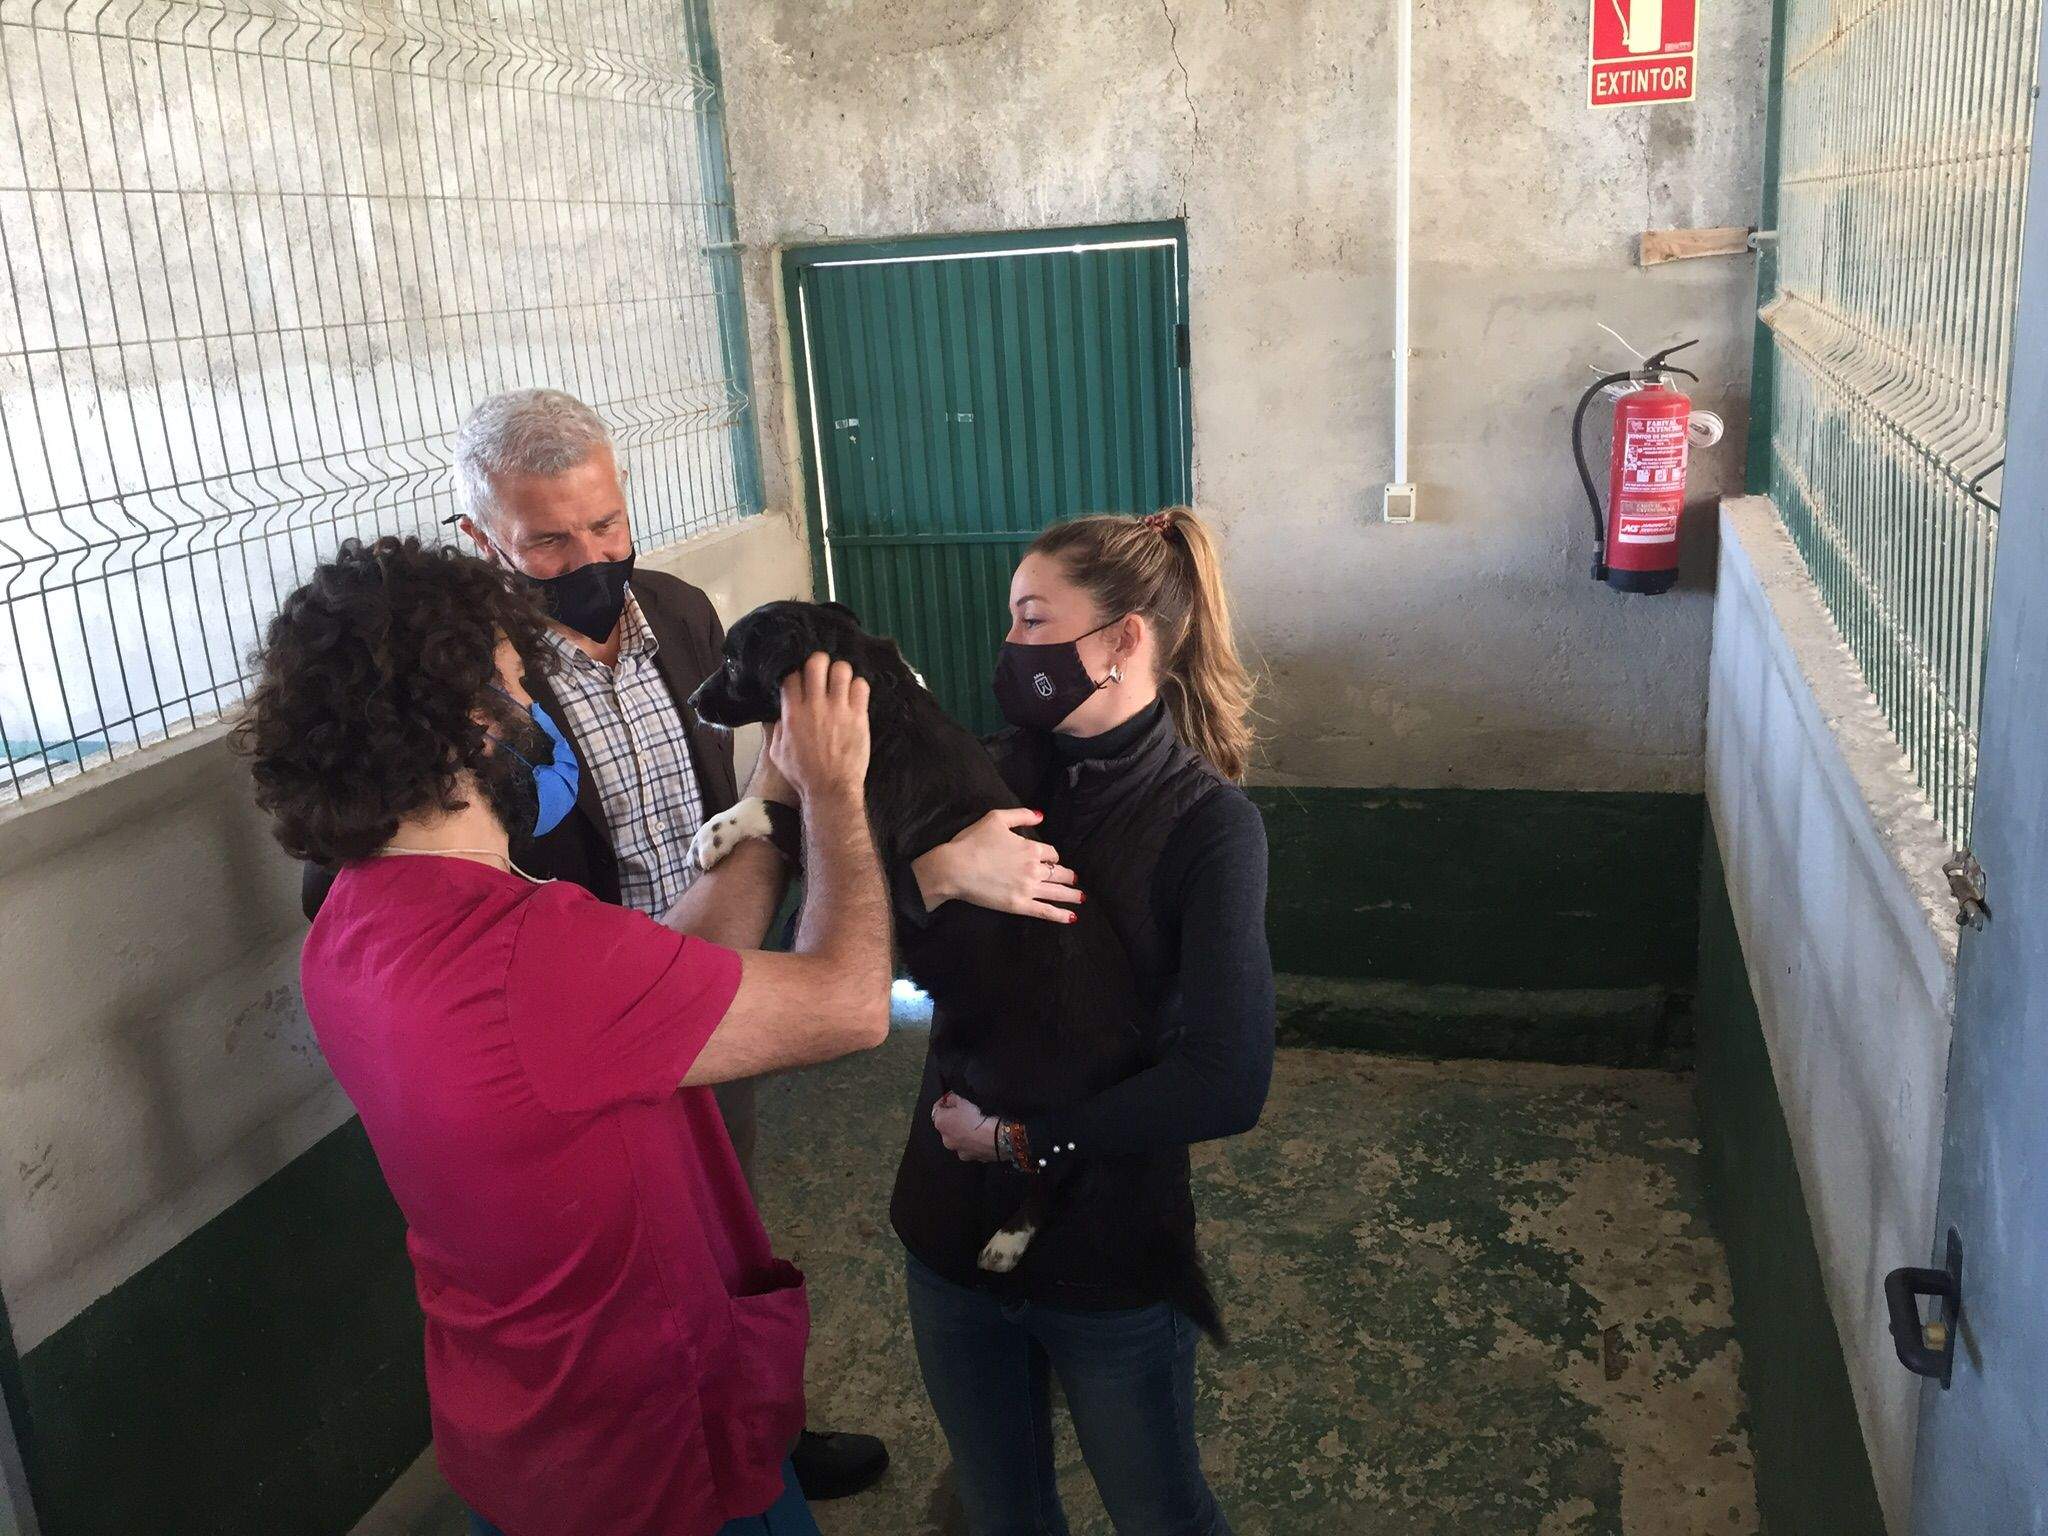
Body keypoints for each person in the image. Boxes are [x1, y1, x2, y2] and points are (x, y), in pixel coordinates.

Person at [299, 388, 888, 1500]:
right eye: (551, 539)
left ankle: (769, 1413)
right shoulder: (535, 953)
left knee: (715, 1219)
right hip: (644, 1447)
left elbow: (656, 958)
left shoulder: (353, 933)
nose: (594, 555)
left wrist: (766, 794)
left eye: (606, 522)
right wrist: (836, 798)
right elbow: (851, 1003)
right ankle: (746, 1430)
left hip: (673, 993)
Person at [888, 507, 1276, 1536]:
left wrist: (1022, 1140)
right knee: (999, 1504)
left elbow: (1225, 1081)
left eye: (1030, 621)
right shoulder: (985, 779)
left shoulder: (1208, 826)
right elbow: (839, 941)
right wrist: (932, 871)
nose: (1008, 650)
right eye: (1009, 624)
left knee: (1157, 1510)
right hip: (947, 1229)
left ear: (1122, 641)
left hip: (1104, 1249)